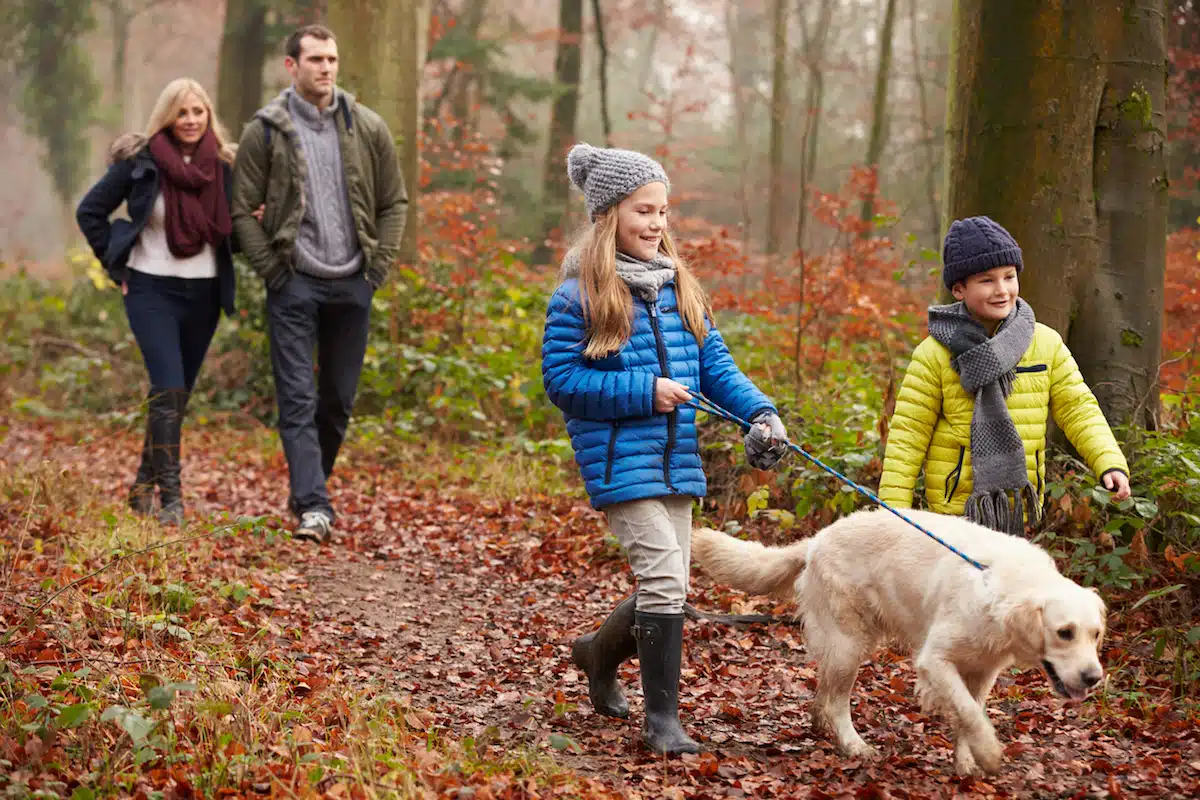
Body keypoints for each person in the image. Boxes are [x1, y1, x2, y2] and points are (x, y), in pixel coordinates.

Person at [542, 143, 790, 755]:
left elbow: (717, 367)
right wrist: (643, 390)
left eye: (663, 211)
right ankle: (663, 723)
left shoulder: (681, 287)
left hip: (675, 460)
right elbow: (564, 383)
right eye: (643, 211)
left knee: (671, 588)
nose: (657, 224)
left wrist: (759, 413)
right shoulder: (578, 296)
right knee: (660, 579)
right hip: (617, 460)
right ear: (608, 216)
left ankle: (596, 657)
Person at [231, 24, 408, 544]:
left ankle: (310, 490)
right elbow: (241, 209)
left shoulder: (368, 126)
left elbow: (394, 202)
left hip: (354, 280)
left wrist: (377, 269)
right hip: (294, 283)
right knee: (297, 399)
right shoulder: (264, 130)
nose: (326, 68)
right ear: (292, 66)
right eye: (315, 60)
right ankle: (314, 504)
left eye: (331, 58)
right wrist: (273, 271)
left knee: (338, 400)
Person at [879, 215, 1131, 534]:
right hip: (953, 514)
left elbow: (1078, 409)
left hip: (1018, 508)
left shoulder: (1045, 343)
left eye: (1009, 277)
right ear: (959, 289)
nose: (1002, 290)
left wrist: (1108, 461)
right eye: (986, 280)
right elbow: (908, 436)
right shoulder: (934, 354)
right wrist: (892, 518)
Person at [76, 78, 238, 526]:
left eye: (198, 112)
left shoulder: (225, 166)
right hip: (150, 291)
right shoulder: (141, 163)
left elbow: (232, 232)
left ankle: (141, 486)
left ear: (209, 116)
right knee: (168, 388)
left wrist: (254, 219)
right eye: (181, 112)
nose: (190, 120)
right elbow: (90, 211)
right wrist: (117, 265)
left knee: (176, 396)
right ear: (167, 117)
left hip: (204, 293)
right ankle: (171, 499)